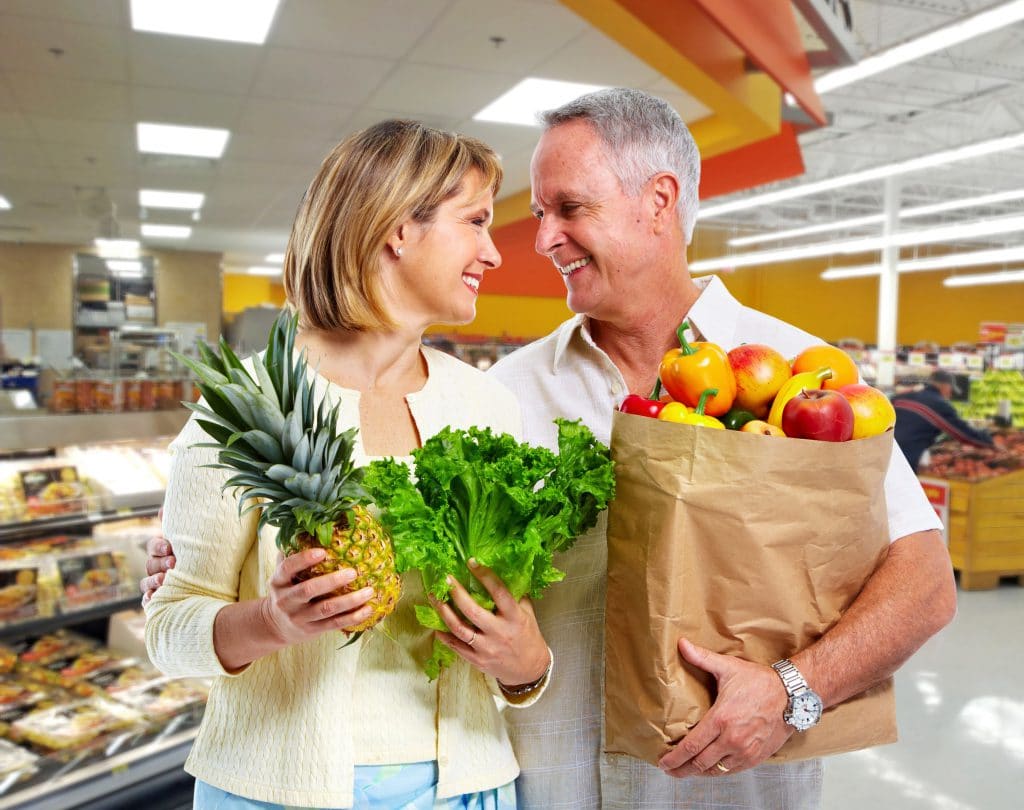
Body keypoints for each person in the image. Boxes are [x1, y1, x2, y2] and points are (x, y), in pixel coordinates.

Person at [145, 90, 958, 810]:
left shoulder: (806, 380)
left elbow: (924, 582)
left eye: (567, 208)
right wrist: (237, 607)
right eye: (530, 214)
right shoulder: (507, 392)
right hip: (543, 783)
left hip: (732, 786)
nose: (537, 241)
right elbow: (190, 606)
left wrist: (792, 692)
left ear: (658, 202)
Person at [143, 120, 552, 810]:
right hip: (272, 790)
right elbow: (168, 630)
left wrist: (526, 668)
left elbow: (510, 622)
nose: (493, 252)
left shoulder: (488, 406)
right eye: (476, 222)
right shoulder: (246, 407)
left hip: (468, 787)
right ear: (397, 228)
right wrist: (271, 622)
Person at [892, 369, 994, 472]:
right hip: (905, 457)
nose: (950, 395)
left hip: (884, 452)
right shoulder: (939, 405)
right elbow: (963, 433)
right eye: (951, 391)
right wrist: (989, 442)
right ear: (945, 386)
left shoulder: (900, 398)